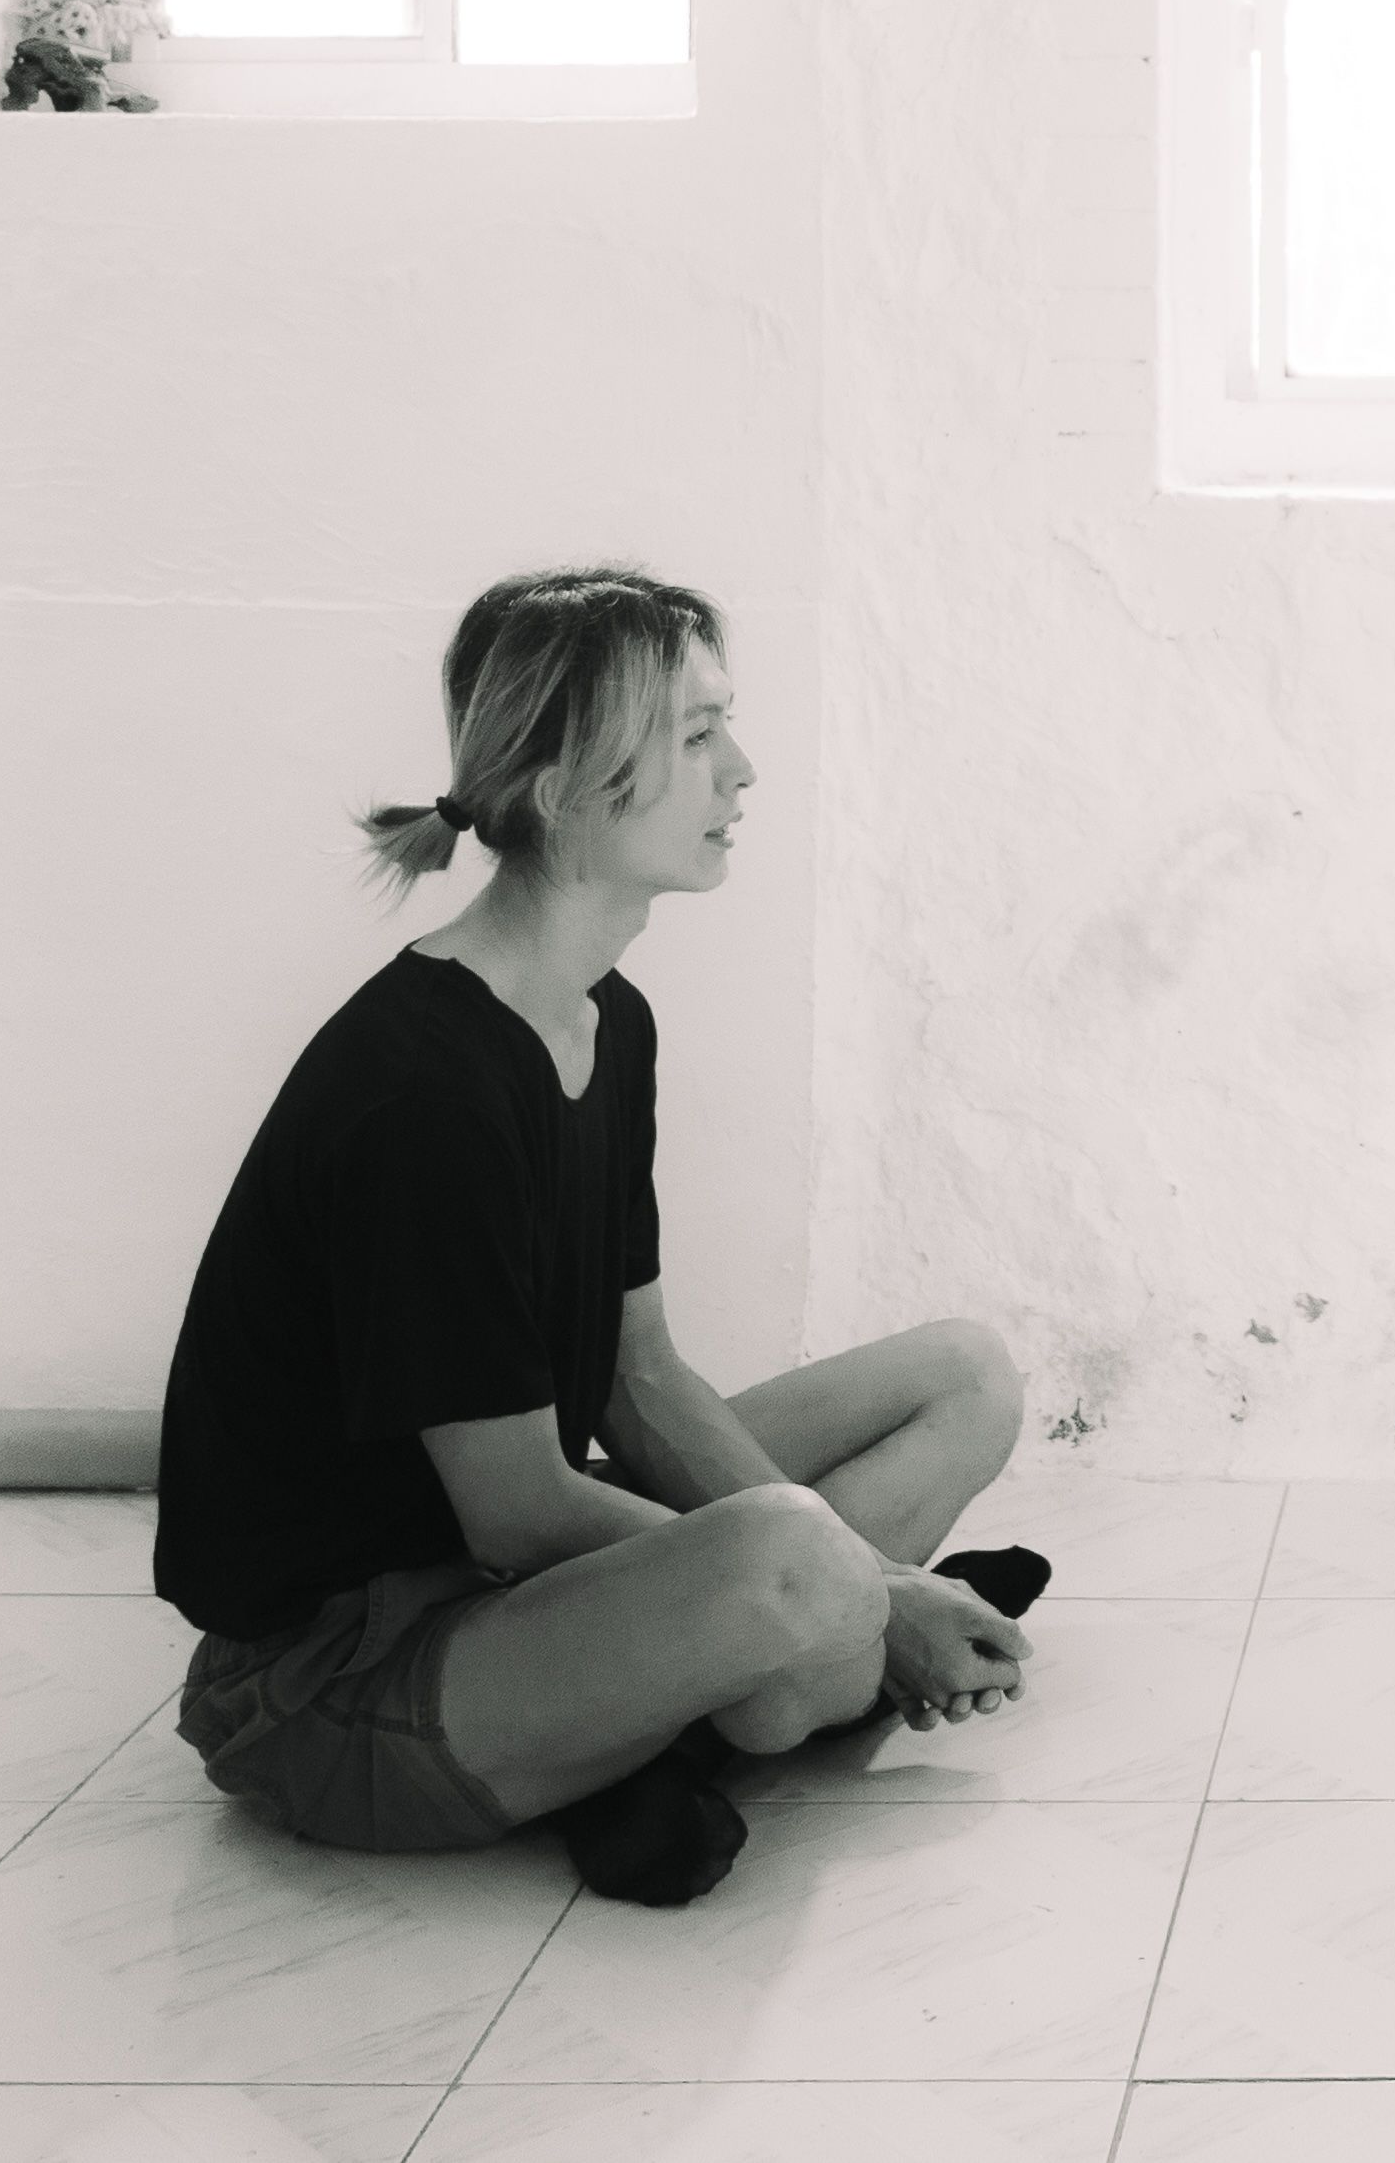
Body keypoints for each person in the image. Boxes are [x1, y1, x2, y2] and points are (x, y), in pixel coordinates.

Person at [150, 565, 1048, 1905]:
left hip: (494, 1587)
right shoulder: (424, 1095)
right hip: (331, 1683)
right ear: (567, 780)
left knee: (963, 1375)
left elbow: (640, 1376)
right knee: (796, 1564)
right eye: (696, 734)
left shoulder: (600, 1017)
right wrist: (878, 1586)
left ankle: (681, 1716)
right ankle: (726, 1702)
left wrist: (862, 1580)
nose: (740, 769)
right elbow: (519, 1507)